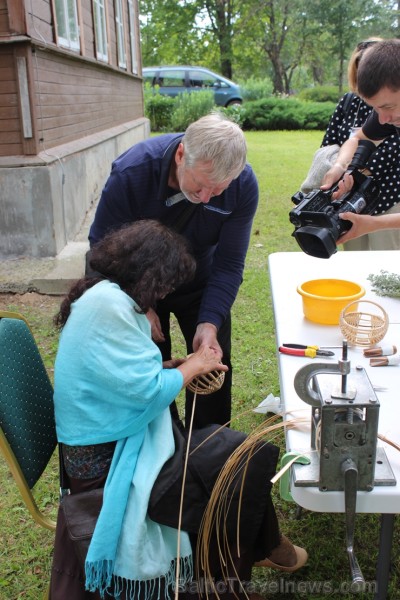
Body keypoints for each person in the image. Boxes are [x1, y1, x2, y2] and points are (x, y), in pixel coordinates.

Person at [49, 220, 307, 600]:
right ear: (150, 275)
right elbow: (148, 391)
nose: (167, 293)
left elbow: (120, 377)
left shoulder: (105, 296)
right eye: (167, 284)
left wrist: (174, 367)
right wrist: (195, 365)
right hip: (103, 460)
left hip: (114, 439)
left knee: (235, 455)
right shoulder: (111, 306)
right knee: (236, 461)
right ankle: (229, 580)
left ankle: (251, 556)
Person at [87, 112, 259, 430]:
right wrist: (138, 303)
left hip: (198, 280)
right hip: (136, 280)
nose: (206, 198)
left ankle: (208, 449)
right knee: (147, 365)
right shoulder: (133, 172)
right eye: (201, 185)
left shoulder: (243, 185)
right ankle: (160, 441)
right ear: (181, 155)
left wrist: (209, 324)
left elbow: (230, 263)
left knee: (212, 362)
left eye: (217, 191)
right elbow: (101, 248)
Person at [302, 38, 400, 251]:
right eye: (376, 109)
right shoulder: (387, 114)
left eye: (387, 107)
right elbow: (357, 138)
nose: (382, 120)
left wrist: (373, 224)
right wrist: (341, 168)